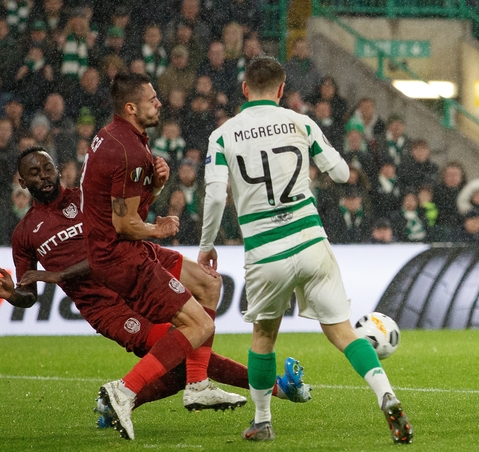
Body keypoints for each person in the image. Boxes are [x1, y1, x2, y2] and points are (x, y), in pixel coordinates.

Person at [1, 147, 311, 428]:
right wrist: (12, 293)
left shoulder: (89, 196)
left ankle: (157, 392)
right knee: (180, 349)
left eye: (47, 168)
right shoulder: (25, 233)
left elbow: (119, 233)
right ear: (22, 182)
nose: (43, 176)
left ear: (57, 169)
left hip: (137, 265)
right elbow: (29, 293)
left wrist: (157, 186)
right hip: (108, 306)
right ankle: (272, 387)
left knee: (209, 284)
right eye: (34, 173)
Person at [197, 57, 413, 444]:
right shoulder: (301, 122)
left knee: (264, 338)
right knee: (344, 334)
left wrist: (208, 245)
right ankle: (388, 396)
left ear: (245, 89)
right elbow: (343, 174)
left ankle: (262, 421)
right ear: (281, 90)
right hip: (311, 241)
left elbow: (215, 197)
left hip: (266, 251)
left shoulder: (223, 134)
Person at [80, 73, 243, 440]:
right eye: (152, 100)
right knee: (199, 325)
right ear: (131, 107)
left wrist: (154, 186)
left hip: (126, 248)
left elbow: (122, 208)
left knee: (208, 284)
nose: (160, 104)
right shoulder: (129, 150)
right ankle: (124, 391)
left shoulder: (116, 138)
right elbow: (125, 223)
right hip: (121, 256)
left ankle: (198, 385)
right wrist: (160, 228)